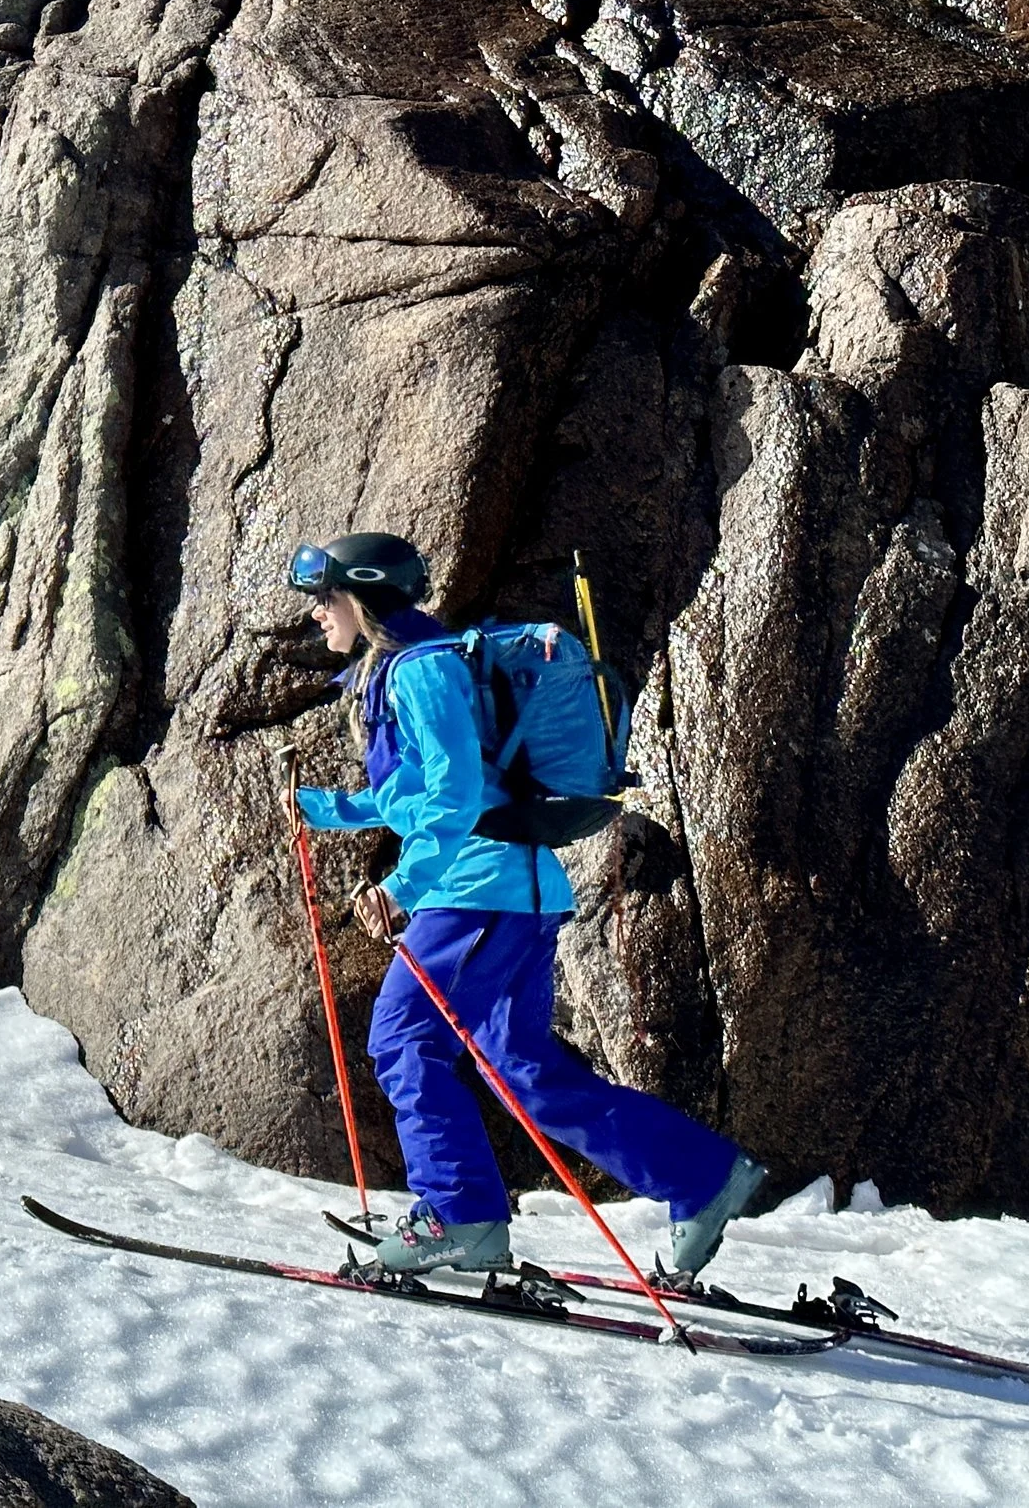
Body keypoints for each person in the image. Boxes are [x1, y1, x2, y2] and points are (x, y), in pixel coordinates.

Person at [286, 531, 767, 1280]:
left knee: (403, 1036)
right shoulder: (418, 666)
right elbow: (417, 792)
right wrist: (322, 808)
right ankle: (700, 1177)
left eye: (325, 597)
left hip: (475, 893)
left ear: (363, 594)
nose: (317, 613)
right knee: (524, 1071)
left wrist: (399, 887)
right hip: (514, 890)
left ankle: (460, 1213)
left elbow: (454, 794)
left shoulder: (420, 670)